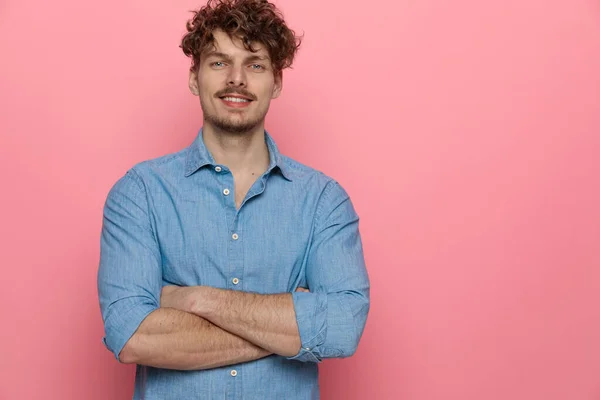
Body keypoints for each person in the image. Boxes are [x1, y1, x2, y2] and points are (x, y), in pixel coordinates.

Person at [97, 0, 370, 398]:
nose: (237, 79)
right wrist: (291, 326)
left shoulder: (323, 201)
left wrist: (194, 299)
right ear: (195, 78)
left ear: (276, 82)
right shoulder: (140, 194)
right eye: (219, 62)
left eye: (255, 65)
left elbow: (344, 327)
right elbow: (132, 336)